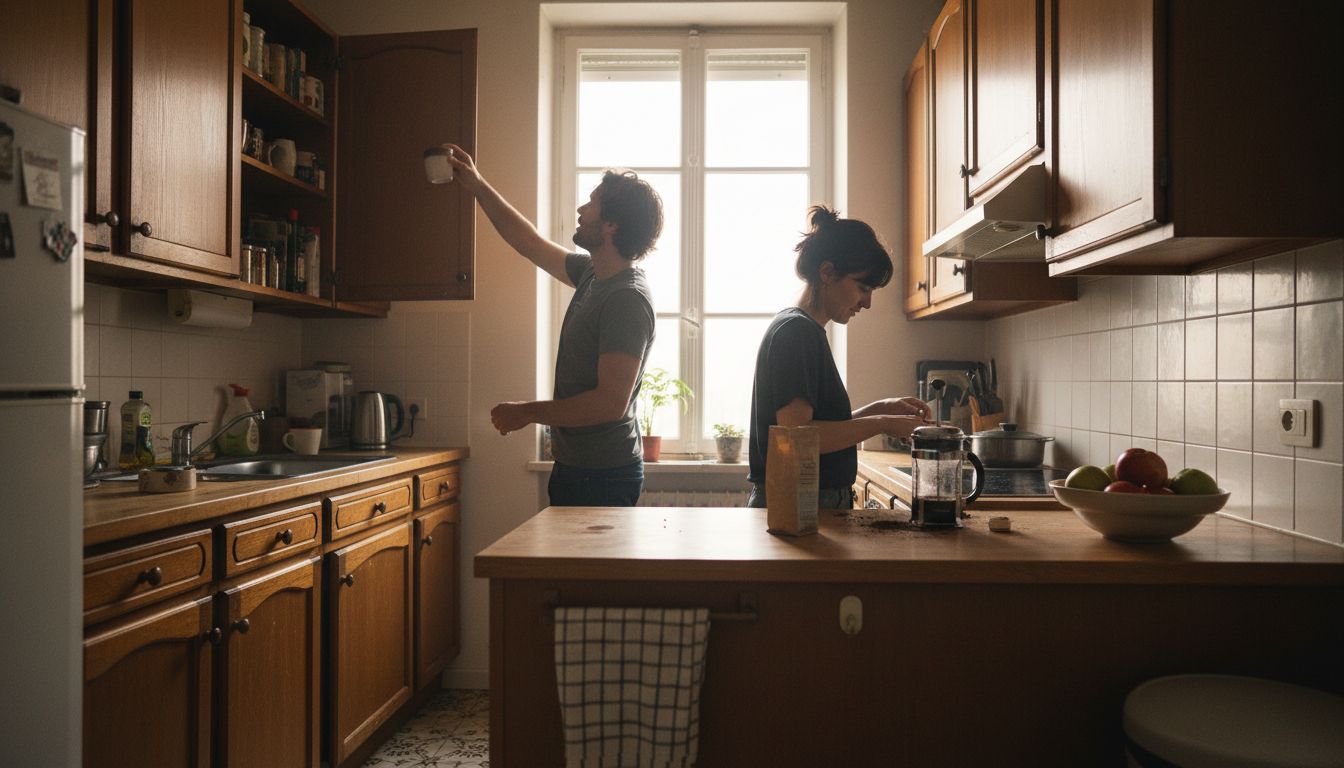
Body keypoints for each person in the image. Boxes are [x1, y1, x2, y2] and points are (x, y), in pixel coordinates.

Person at [441, 144, 662, 507]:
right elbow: (528, 242)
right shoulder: (594, 275)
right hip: (576, 467)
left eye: (591, 203)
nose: (581, 209)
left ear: (611, 224)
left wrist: (527, 412)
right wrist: (478, 186)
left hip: (604, 476)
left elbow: (609, 403)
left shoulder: (626, 299)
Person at [746, 205, 931, 509]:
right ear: (827, 272)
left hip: (801, 502)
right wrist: (882, 423)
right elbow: (797, 436)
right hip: (801, 506)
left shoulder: (800, 328)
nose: (867, 303)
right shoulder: (798, 333)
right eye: (863, 287)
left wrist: (880, 409)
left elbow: (812, 426)